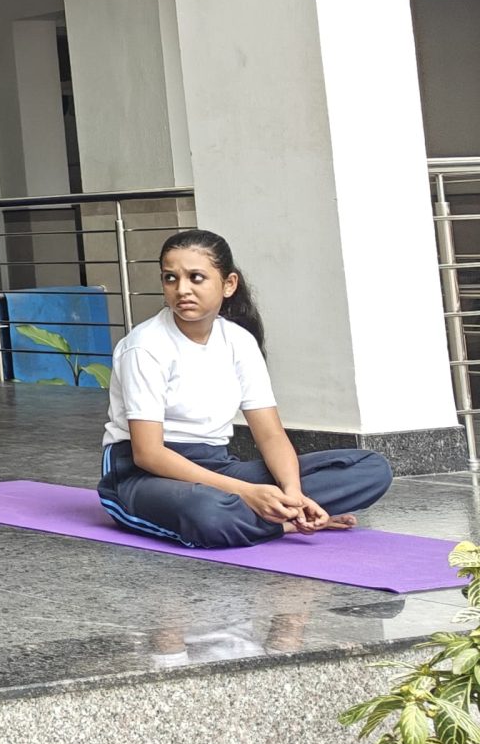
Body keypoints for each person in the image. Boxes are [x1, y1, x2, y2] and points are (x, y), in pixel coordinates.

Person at [97, 228, 392, 548]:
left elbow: (270, 435)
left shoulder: (238, 341)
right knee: (208, 512)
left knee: (371, 469)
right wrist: (247, 493)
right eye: (171, 278)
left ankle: (277, 515)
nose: (182, 289)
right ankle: (280, 525)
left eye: (196, 278)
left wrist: (293, 494)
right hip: (143, 475)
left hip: (216, 466)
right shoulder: (145, 346)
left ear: (229, 284)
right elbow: (148, 454)